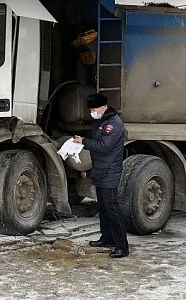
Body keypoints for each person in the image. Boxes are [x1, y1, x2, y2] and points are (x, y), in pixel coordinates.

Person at [73, 92, 129, 258]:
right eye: (90, 109)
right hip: (101, 169)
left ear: (104, 107)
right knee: (103, 208)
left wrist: (84, 142)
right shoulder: (101, 121)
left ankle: (122, 246)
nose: (92, 111)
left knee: (112, 208)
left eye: (94, 108)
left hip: (110, 170)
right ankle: (107, 238)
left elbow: (104, 146)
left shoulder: (113, 123)